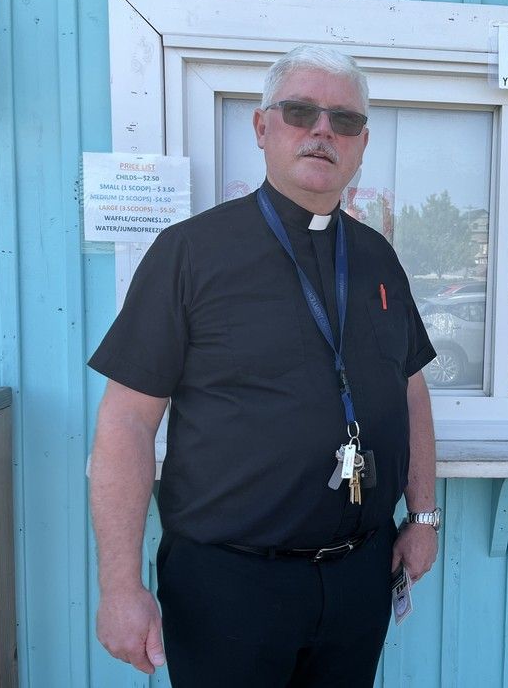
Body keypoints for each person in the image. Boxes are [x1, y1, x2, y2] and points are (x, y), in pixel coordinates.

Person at [88, 45, 440, 686]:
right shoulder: (189, 254)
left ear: (361, 143)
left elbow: (410, 389)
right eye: (302, 111)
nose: (322, 130)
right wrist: (120, 586)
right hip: (228, 586)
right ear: (262, 128)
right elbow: (125, 425)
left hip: (360, 576)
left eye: (345, 120)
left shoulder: (376, 257)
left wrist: (422, 516)